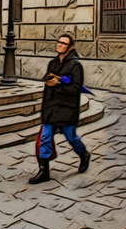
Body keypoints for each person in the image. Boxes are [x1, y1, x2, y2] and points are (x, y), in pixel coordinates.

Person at [28, 33, 90, 185]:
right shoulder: (52, 63)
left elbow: (76, 88)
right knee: (45, 137)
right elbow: (48, 88)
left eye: (63, 43)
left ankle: (84, 154)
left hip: (67, 108)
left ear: (70, 48)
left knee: (71, 137)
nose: (59, 45)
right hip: (51, 107)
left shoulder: (75, 66)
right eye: (59, 42)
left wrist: (59, 84)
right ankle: (44, 171)